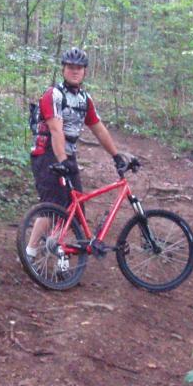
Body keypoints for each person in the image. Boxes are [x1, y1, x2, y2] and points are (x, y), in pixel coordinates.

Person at [25, 47, 129, 258]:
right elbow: (55, 129)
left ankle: (55, 246)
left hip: (67, 156)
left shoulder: (84, 99)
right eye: (71, 67)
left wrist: (116, 155)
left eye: (79, 68)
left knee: (75, 203)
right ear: (63, 69)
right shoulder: (53, 94)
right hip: (47, 154)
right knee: (53, 204)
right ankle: (30, 252)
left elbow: (98, 128)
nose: (75, 71)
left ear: (84, 72)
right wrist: (62, 160)